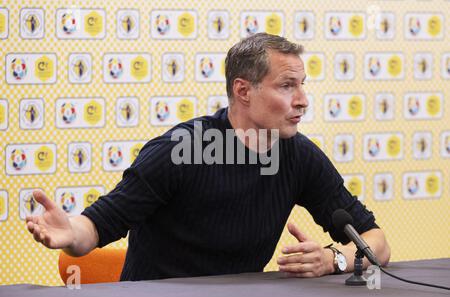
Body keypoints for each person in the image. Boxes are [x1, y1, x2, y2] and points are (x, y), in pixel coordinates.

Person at [26, 33, 390, 281]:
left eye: (302, 84)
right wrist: (70, 231)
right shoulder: (178, 151)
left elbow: (376, 241)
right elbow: (96, 227)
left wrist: (335, 260)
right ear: (243, 90)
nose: (303, 100)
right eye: (286, 85)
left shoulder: (298, 155)